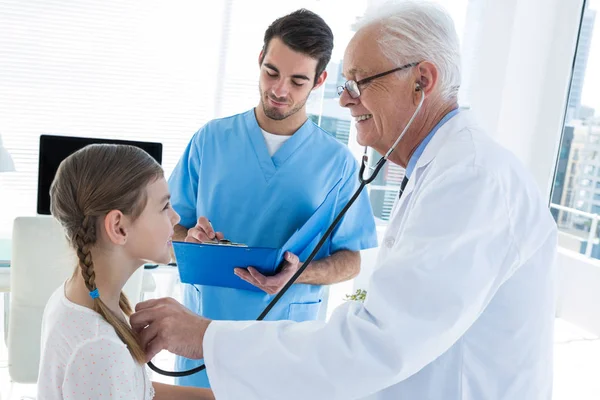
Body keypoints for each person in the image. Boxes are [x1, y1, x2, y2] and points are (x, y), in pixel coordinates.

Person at [132, 1, 558, 399]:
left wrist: (207, 335)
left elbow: (374, 341)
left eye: (359, 82)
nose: (344, 98)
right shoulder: (444, 171)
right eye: (346, 82)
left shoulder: (470, 179)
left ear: (421, 81)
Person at [167, 8, 378, 388]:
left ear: (319, 81)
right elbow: (168, 231)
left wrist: (301, 273)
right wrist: (189, 241)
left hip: (286, 344)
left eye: (298, 81)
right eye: (271, 72)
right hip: (204, 332)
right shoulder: (210, 141)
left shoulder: (337, 164)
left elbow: (350, 260)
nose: (280, 90)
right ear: (259, 60)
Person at [37, 144, 214, 400]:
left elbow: (136, 391)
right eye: (164, 207)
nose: (176, 219)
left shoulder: (79, 298)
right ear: (118, 227)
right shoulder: (98, 348)